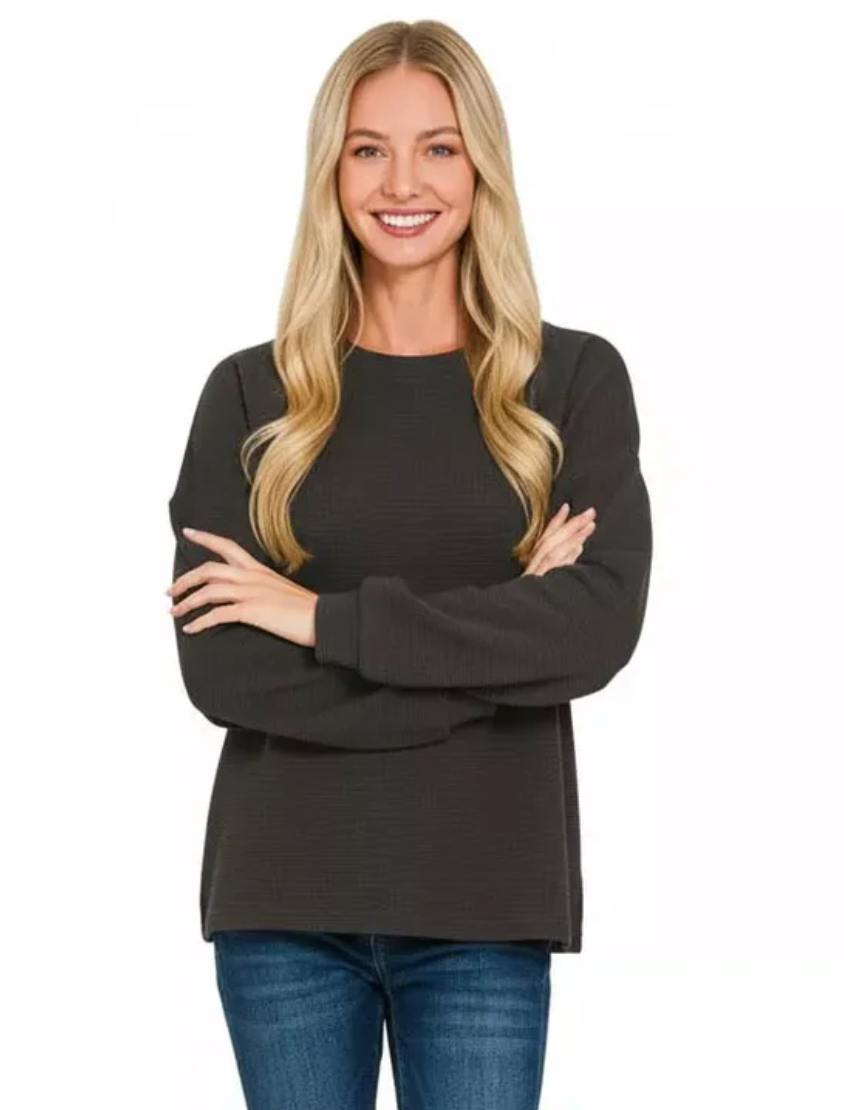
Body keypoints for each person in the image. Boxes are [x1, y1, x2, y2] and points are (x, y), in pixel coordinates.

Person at [165, 18, 652, 1110]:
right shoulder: (249, 395)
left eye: (437, 146)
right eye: (368, 149)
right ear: (330, 171)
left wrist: (317, 620)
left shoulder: (571, 384)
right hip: (284, 898)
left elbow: (593, 629)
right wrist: (498, 648)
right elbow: (225, 673)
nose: (402, 183)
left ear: (482, 165)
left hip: (484, 901)